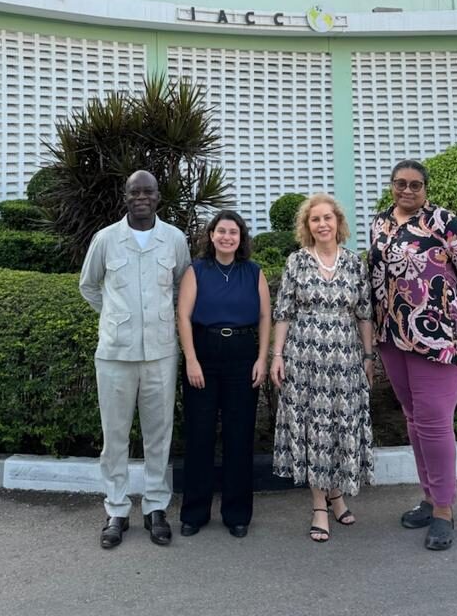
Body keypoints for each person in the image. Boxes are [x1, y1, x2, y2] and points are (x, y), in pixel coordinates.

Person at [367, 159, 457, 552]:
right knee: (414, 420)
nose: (406, 190)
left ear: (425, 188)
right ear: (391, 185)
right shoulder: (381, 222)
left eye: (415, 185)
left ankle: (444, 510)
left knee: (434, 421)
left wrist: (437, 299)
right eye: (399, 183)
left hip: (439, 336)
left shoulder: (444, 221)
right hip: (393, 334)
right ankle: (429, 496)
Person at [79, 170, 191, 550]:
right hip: (115, 353)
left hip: (160, 352)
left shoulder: (174, 239)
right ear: (125, 197)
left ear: (159, 197)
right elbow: (88, 285)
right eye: (134, 192)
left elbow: (182, 286)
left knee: (159, 435)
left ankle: (156, 508)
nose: (141, 197)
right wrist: (115, 315)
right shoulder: (106, 239)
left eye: (148, 192)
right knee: (115, 437)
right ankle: (117, 510)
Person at [270, 193, 375, 543]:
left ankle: (337, 494)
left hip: (345, 361)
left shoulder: (355, 263)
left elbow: (364, 314)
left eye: (328, 218)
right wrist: (278, 356)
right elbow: (283, 312)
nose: (323, 224)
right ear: (307, 226)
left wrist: (368, 357)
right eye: (315, 219)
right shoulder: (296, 262)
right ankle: (319, 505)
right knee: (314, 429)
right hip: (305, 361)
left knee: (339, 426)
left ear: (338, 222)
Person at [177, 210, 271, 539]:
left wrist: (262, 357)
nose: (227, 237)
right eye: (221, 231)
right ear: (211, 235)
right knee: (200, 434)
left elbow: (264, 317)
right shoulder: (197, 270)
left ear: (241, 238)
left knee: (239, 435)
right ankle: (194, 512)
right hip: (204, 352)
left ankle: (237, 513)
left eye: (233, 232)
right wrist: (191, 359)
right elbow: (184, 317)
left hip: (243, 355)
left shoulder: (253, 272)